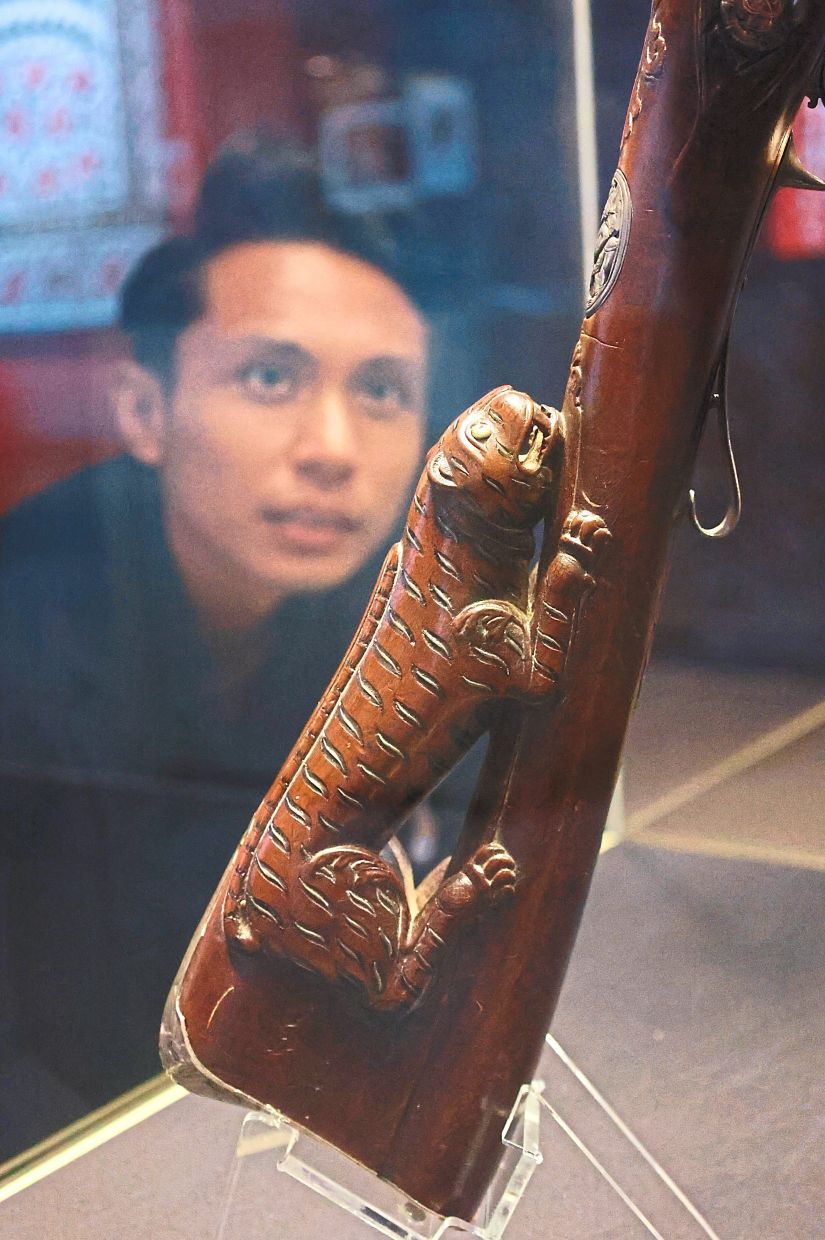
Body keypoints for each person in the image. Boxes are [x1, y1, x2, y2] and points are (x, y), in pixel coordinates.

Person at [0, 136, 447, 1151]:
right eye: (270, 377)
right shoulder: (23, 646)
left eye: (381, 392)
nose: (333, 450)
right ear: (144, 411)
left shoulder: (394, 621)